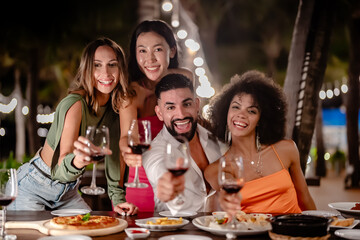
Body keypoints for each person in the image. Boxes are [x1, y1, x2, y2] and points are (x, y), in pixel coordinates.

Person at [8, 37, 138, 215]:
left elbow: (116, 158)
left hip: (67, 193)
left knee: (90, 231)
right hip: (33, 187)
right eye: (97, 65)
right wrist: (77, 162)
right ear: (87, 69)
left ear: (121, 69)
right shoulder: (75, 104)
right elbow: (61, 169)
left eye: (112, 64)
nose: (106, 73)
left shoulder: (117, 108)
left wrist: (118, 200)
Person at [204, 70, 316, 216]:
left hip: (293, 232)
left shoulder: (286, 149)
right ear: (226, 112)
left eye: (251, 111)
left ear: (260, 120)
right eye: (236, 107)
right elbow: (227, 195)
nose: (241, 115)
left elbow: (305, 199)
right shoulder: (216, 169)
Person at [119, 19, 193, 212]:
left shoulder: (185, 79)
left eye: (157, 50)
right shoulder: (131, 94)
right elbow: (127, 136)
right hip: (142, 184)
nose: (149, 59)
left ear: (172, 51)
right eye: (142, 50)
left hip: (180, 180)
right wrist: (128, 151)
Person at [142, 73, 227, 213]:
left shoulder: (214, 138)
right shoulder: (155, 151)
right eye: (170, 108)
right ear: (159, 113)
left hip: (218, 227)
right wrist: (166, 183)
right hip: (180, 232)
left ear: (197, 105)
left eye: (186, 104)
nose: (181, 114)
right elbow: (157, 168)